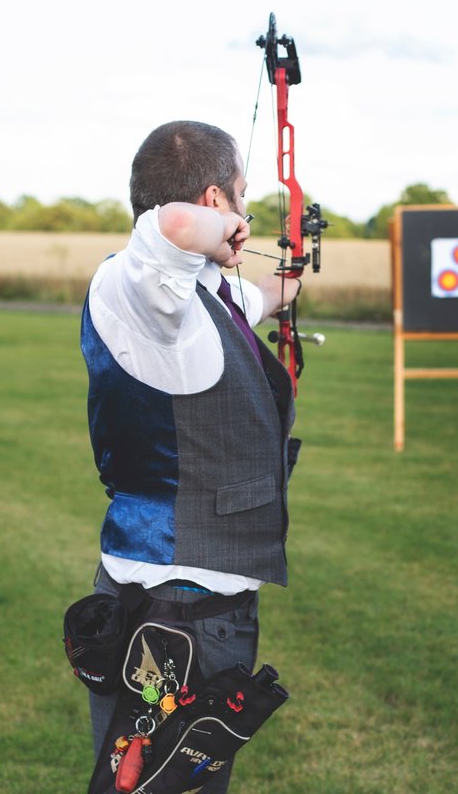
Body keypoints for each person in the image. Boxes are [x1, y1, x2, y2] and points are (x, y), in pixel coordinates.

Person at [78, 120, 303, 793]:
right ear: (213, 201)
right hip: (176, 604)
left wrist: (291, 278)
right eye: (240, 200)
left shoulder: (192, 296)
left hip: (195, 596)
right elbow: (174, 227)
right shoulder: (140, 285)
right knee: (154, 783)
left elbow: (250, 301)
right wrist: (225, 231)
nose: (246, 218)